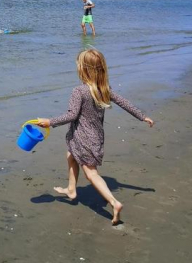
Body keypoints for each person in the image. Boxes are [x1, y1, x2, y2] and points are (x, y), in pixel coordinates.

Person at [38, 49, 154, 225]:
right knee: (70, 155)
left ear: (83, 69)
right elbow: (124, 103)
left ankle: (114, 203)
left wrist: (50, 121)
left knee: (91, 174)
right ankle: (71, 189)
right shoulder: (104, 89)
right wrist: (141, 116)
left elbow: (71, 115)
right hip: (96, 137)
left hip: (83, 138)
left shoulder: (79, 91)